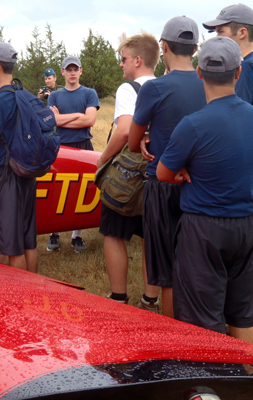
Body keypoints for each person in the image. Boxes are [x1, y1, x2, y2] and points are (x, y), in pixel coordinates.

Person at [158, 36, 253, 344]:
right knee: (243, 314)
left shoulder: (193, 124)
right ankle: (247, 381)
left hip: (204, 228)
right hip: (247, 224)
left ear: (200, 73)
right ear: (239, 73)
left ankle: (211, 386)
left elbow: (164, 172)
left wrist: (182, 173)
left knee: (203, 321)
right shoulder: (251, 115)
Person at [204, 3, 253, 346]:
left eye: (221, 30)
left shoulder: (248, 67)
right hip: (251, 160)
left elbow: (226, 114)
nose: (216, 35)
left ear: (241, 32)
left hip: (237, 164)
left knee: (249, 250)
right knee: (252, 247)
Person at [127, 16, 206, 317]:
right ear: (196, 48)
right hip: (198, 183)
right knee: (196, 266)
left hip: (162, 184)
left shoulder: (154, 88)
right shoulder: (207, 84)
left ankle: (176, 344)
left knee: (168, 274)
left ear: (164, 46)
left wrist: (148, 135)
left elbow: (134, 144)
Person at [95, 32, 160, 306]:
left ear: (137, 59)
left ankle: (118, 296)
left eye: (123, 60)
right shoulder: (162, 85)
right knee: (150, 237)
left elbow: (123, 132)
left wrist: (102, 161)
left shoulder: (128, 89)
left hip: (126, 174)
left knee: (113, 232)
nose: (121, 65)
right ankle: (150, 298)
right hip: (157, 172)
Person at [0, 42, 38, 273]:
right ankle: (32, 288)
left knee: (12, 246)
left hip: (6, 175)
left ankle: (17, 297)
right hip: (26, 173)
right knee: (28, 239)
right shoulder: (26, 96)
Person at [47, 56, 100, 253]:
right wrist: (78, 116)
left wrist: (62, 119)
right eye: (68, 69)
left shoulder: (89, 93)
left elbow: (90, 121)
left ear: (80, 71)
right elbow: (51, 121)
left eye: (75, 69)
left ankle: (76, 236)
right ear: (62, 72)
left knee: (82, 190)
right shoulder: (54, 96)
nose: (72, 73)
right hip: (60, 147)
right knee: (57, 190)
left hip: (83, 146)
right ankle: (54, 233)